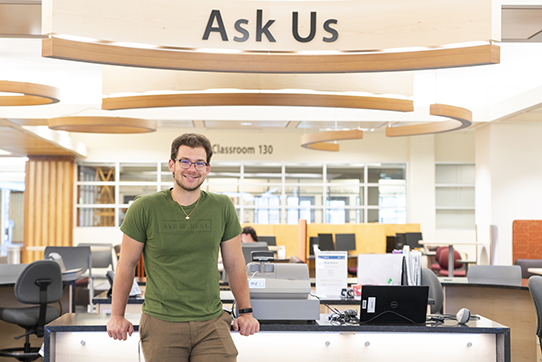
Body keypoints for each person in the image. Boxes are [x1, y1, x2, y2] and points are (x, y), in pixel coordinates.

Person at [107, 133, 259, 362]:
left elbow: (235, 263)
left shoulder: (222, 206)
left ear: (207, 168)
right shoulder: (144, 207)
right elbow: (126, 264)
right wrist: (116, 315)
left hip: (211, 322)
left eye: (199, 163)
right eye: (185, 161)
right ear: (172, 165)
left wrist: (246, 312)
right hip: (161, 322)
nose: (192, 169)